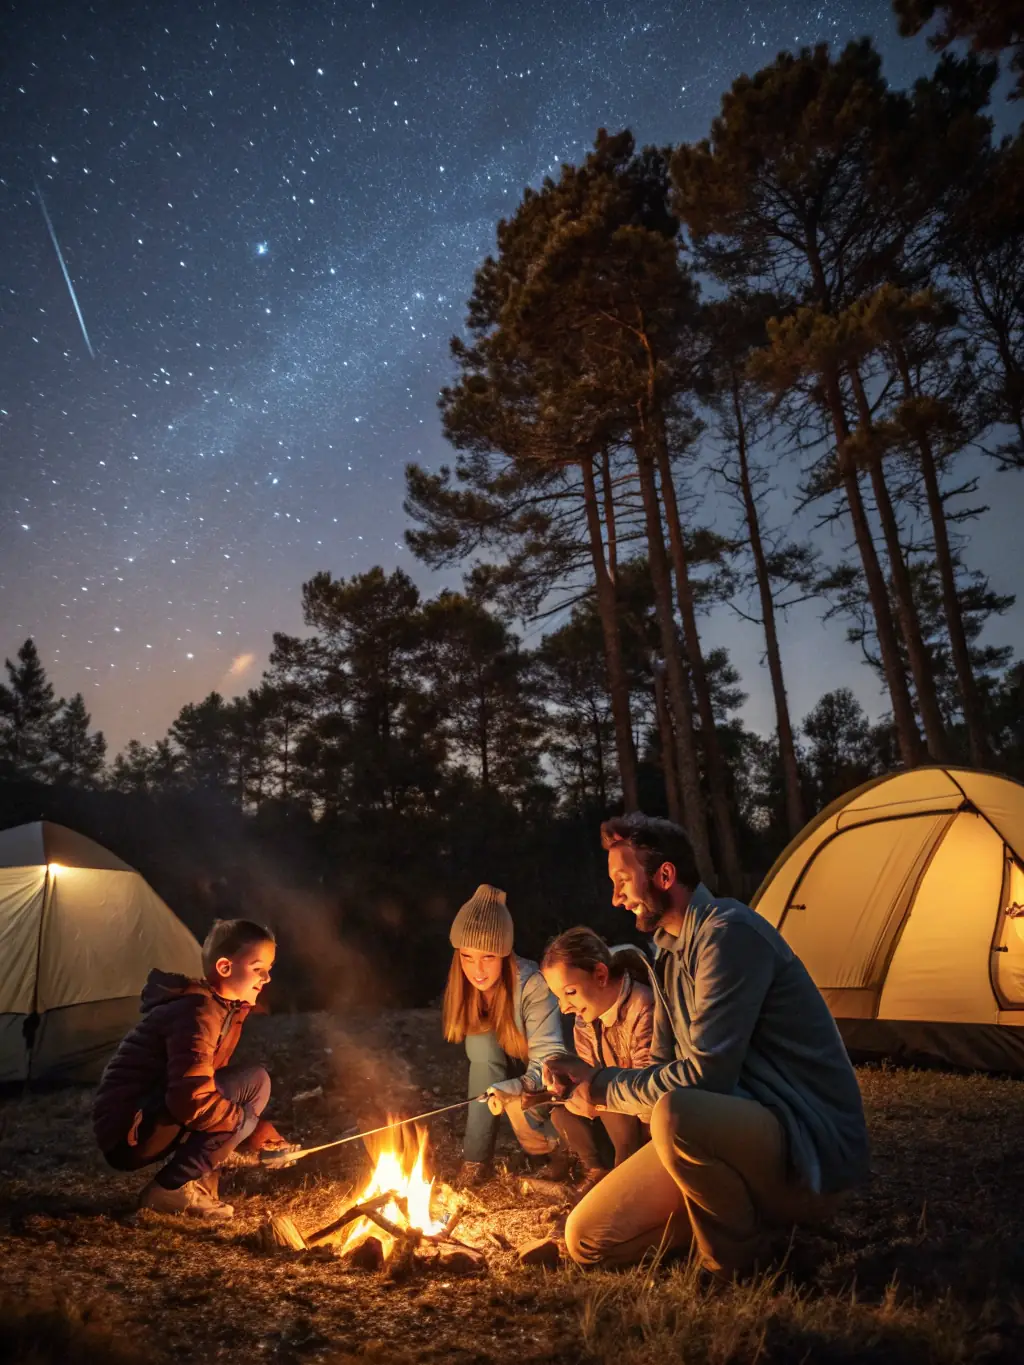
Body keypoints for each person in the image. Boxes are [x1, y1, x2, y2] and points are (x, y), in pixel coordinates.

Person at [543, 814, 870, 1282]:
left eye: (622, 880)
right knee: (588, 1239)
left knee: (678, 1114)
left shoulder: (728, 933)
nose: (616, 897)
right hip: (727, 1135)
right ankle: (751, 1221)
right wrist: (588, 1085)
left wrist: (602, 1087)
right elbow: (659, 1071)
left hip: (801, 1142)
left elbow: (703, 1079)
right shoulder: (670, 957)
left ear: (665, 876)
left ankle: (737, 1264)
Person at [93, 918, 297, 1221]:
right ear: (225, 968)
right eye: (258, 968)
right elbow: (190, 1098)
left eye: (269, 968)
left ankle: (195, 1180)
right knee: (251, 1091)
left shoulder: (224, 1009)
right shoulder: (198, 1012)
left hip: (151, 1116)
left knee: (254, 1082)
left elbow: (205, 1083)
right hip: (129, 1130)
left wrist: (252, 1128)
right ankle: (171, 1188)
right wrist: (241, 1123)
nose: (266, 977)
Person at [443, 883, 572, 1186]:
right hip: (528, 1088)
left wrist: (509, 1088)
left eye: (488, 957)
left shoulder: (533, 986)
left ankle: (567, 1151)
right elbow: (484, 1071)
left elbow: (551, 1065)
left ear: (504, 953)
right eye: (467, 957)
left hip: (565, 1092)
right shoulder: (473, 993)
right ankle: (476, 1161)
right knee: (482, 1050)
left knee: (515, 1099)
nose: (477, 970)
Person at [540, 927, 655, 1196]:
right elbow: (588, 1076)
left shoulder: (642, 1006)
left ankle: (625, 1183)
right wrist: (567, 1082)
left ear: (601, 975)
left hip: (644, 1122)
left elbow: (648, 1089)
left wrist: (590, 1082)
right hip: (611, 1118)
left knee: (605, 1093)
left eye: (570, 992)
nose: (564, 1007)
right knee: (561, 1113)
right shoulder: (585, 1020)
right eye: (558, 996)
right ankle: (598, 1172)